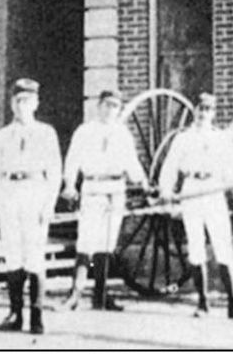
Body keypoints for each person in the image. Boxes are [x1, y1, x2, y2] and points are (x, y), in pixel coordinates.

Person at [160, 92, 233, 320]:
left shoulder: (220, 139)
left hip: (214, 190)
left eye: (208, 110)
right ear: (195, 111)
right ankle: (202, 303)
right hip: (191, 189)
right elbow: (170, 167)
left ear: (213, 113)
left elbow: (231, 166)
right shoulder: (183, 138)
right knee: (196, 246)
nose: (203, 113)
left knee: (222, 244)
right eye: (200, 109)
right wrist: (167, 191)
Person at [61, 90, 151, 311]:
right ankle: (75, 293)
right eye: (107, 105)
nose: (111, 110)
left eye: (115, 106)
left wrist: (144, 183)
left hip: (115, 189)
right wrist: (70, 184)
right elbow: (72, 161)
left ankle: (100, 296)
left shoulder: (122, 134)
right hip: (93, 187)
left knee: (107, 243)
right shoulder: (85, 132)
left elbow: (132, 162)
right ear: (98, 106)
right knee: (86, 241)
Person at [0, 78, 62, 335]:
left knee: (35, 254)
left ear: (36, 103)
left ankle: (37, 317)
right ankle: (15, 314)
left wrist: (49, 204)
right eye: (18, 101)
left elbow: (54, 172)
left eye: (27, 101)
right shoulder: (1, 136)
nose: (22, 106)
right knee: (13, 255)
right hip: (9, 192)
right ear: (11, 104)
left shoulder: (46, 133)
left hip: (35, 192)